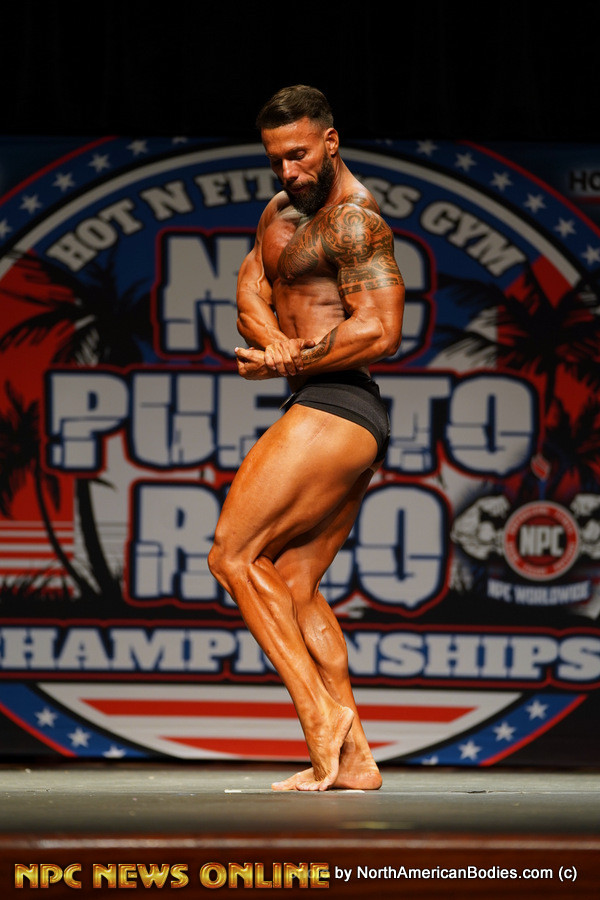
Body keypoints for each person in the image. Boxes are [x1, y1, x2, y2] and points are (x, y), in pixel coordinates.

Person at [208, 85, 404, 791]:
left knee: (232, 555)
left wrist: (290, 359)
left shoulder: (354, 223)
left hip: (339, 404)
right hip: (325, 402)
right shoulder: (279, 212)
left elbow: (380, 331)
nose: (288, 171)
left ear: (330, 141)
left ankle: (321, 718)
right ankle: (356, 760)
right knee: (293, 584)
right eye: (276, 160)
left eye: (298, 155)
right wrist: (276, 345)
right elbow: (249, 293)